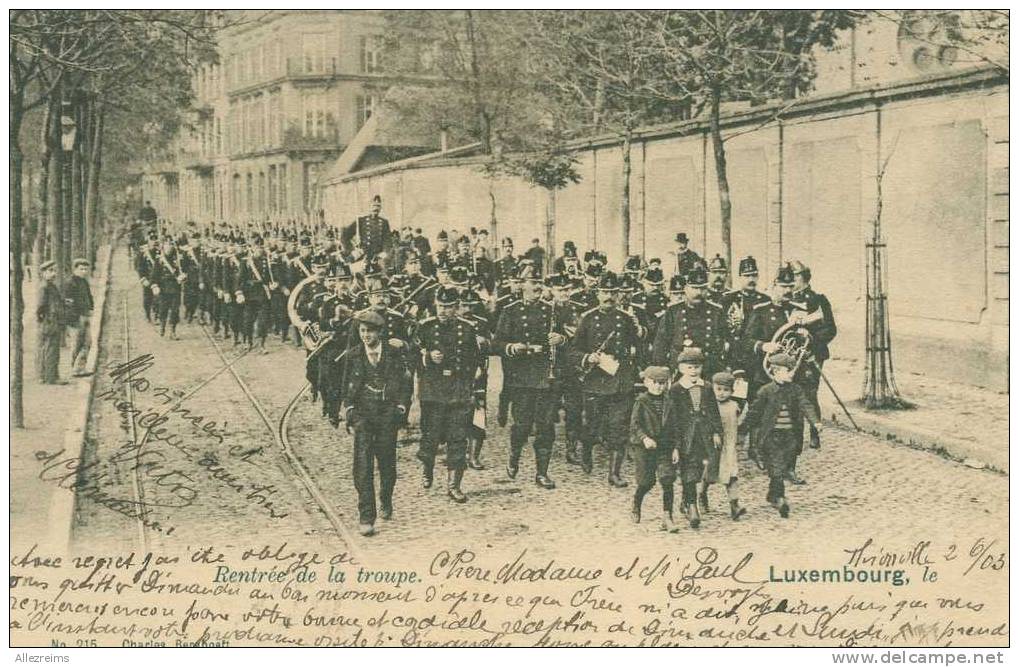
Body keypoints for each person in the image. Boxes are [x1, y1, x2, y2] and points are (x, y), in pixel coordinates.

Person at [493, 263, 566, 489]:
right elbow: (497, 343)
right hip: (521, 376)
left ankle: (541, 473)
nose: (536, 287)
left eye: (539, 283)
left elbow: (566, 340)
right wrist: (512, 347)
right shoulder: (511, 311)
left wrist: (560, 339)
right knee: (522, 425)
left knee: (545, 427)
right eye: (532, 283)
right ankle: (514, 456)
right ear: (522, 285)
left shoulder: (551, 310)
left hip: (546, 376)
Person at [341, 310, 413, 537]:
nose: (365, 336)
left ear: (380, 333)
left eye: (370, 332)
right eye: (362, 331)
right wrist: (350, 410)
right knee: (362, 466)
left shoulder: (393, 353)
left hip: (386, 415)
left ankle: (386, 497)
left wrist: (401, 407)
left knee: (387, 464)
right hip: (363, 416)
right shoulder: (353, 355)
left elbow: (404, 383)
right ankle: (366, 516)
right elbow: (346, 386)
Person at [572, 271, 642, 486]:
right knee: (592, 425)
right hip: (595, 381)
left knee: (618, 427)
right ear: (597, 293)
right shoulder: (588, 318)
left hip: (621, 380)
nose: (609, 296)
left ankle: (614, 473)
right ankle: (586, 450)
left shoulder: (626, 318)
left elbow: (637, 347)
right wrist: (587, 357)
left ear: (619, 294)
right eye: (604, 291)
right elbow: (574, 350)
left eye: (613, 291)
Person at [414, 286, 481, 502]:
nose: (444, 311)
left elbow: (475, 361)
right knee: (430, 436)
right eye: (441, 306)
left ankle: (454, 485)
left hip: (458, 391)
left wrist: (473, 389)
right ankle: (428, 468)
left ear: (456, 307)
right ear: (435, 305)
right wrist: (426, 358)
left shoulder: (468, 329)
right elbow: (410, 356)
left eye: (449, 307)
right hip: (433, 392)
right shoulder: (425, 327)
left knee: (458, 438)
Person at [739, 352, 822, 518]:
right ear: (775, 371)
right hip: (771, 437)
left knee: (783, 466)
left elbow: (806, 404)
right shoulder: (766, 391)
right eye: (788, 370)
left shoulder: (796, 390)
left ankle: (772, 494)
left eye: (792, 370)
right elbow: (754, 413)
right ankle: (780, 498)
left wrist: (815, 422)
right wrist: (742, 431)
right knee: (776, 468)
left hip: (790, 437)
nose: (792, 374)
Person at [669, 347, 722, 529]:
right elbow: (673, 418)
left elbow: (714, 412)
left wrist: (716, 432)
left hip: (704, 435)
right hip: (685, 437)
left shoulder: (706, 387)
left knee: (699, 468)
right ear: (681, 368)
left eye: (697, 367)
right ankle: (692, 506)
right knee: (688, 469)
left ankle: (686, 500)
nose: (694, 371)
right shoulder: (676, 389)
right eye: (689, 367)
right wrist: (675, 444)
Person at [787, 260, 837, 450]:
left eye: (796, 276)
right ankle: (793, 434)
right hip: (789, 354)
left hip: (811, 354)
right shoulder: (786, 298)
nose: (792, 281)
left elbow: (830, 329)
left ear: (805, 278)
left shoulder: (818, 300)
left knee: (809, 393)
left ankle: (815, 433)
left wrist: (812, 340)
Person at [629, 366, 679, 532]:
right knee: (646, 481)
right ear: (646, 382)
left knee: (667, 479)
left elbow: (676, 427)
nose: (658, 386)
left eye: (662, 383)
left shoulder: (670, 401)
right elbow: (634, 425)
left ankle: (667, 517)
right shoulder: (641, 401)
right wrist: (645, 438)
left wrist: (676, 448)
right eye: (655, 382)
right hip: (645, 447)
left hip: (665, 446)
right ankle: (637, 503)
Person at [701, 371, 746, 521]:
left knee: (732, 475)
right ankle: (702, 495)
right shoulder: (708, 406)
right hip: (712, 446)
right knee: (708, 473)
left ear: (732, 391)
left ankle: (734, 505)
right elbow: (704, 424)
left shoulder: (735, 406)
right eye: (718, 389)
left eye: (726, 390)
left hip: (729, 447)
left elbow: (739, 423)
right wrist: (713, 434)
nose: (721, 393)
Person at [36, 260, 66, 385]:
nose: (53, 274)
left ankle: (45, 376)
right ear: (43, 273)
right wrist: (45, 320)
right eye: (50, 271)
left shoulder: (51, 286)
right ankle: (51, 378)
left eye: (54, 271)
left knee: (47, 349)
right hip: (50, 322)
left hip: (51, 321)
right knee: (51, 350)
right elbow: (41, 307)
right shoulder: (45, 287)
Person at [64, 258, 94, 377]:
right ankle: (75, 368)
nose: (84, 271)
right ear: (75, 269)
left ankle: (81, 367)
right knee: (77, 343)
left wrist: (91, 308)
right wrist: (74, 319)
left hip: (85, 315)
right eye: (81, 269)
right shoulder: (70, 283)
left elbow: (89, 296)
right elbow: (68, 304)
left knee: (87, 342)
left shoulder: (84, 282)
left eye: (86, 269)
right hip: (76, 319)